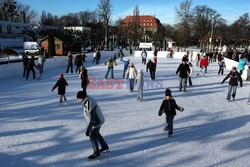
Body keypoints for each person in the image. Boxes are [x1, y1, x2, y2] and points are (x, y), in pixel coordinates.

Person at [76, 91, 109, 160]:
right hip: (98, 119)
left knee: (92, 135)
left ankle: (96, 153)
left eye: (78, 98)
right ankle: (104, 146)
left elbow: (91, 118)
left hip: (96, 121)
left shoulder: (88, 103)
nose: (77, 100)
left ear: (82, 97)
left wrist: (88, 129)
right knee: (96, 134)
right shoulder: (88, 100)